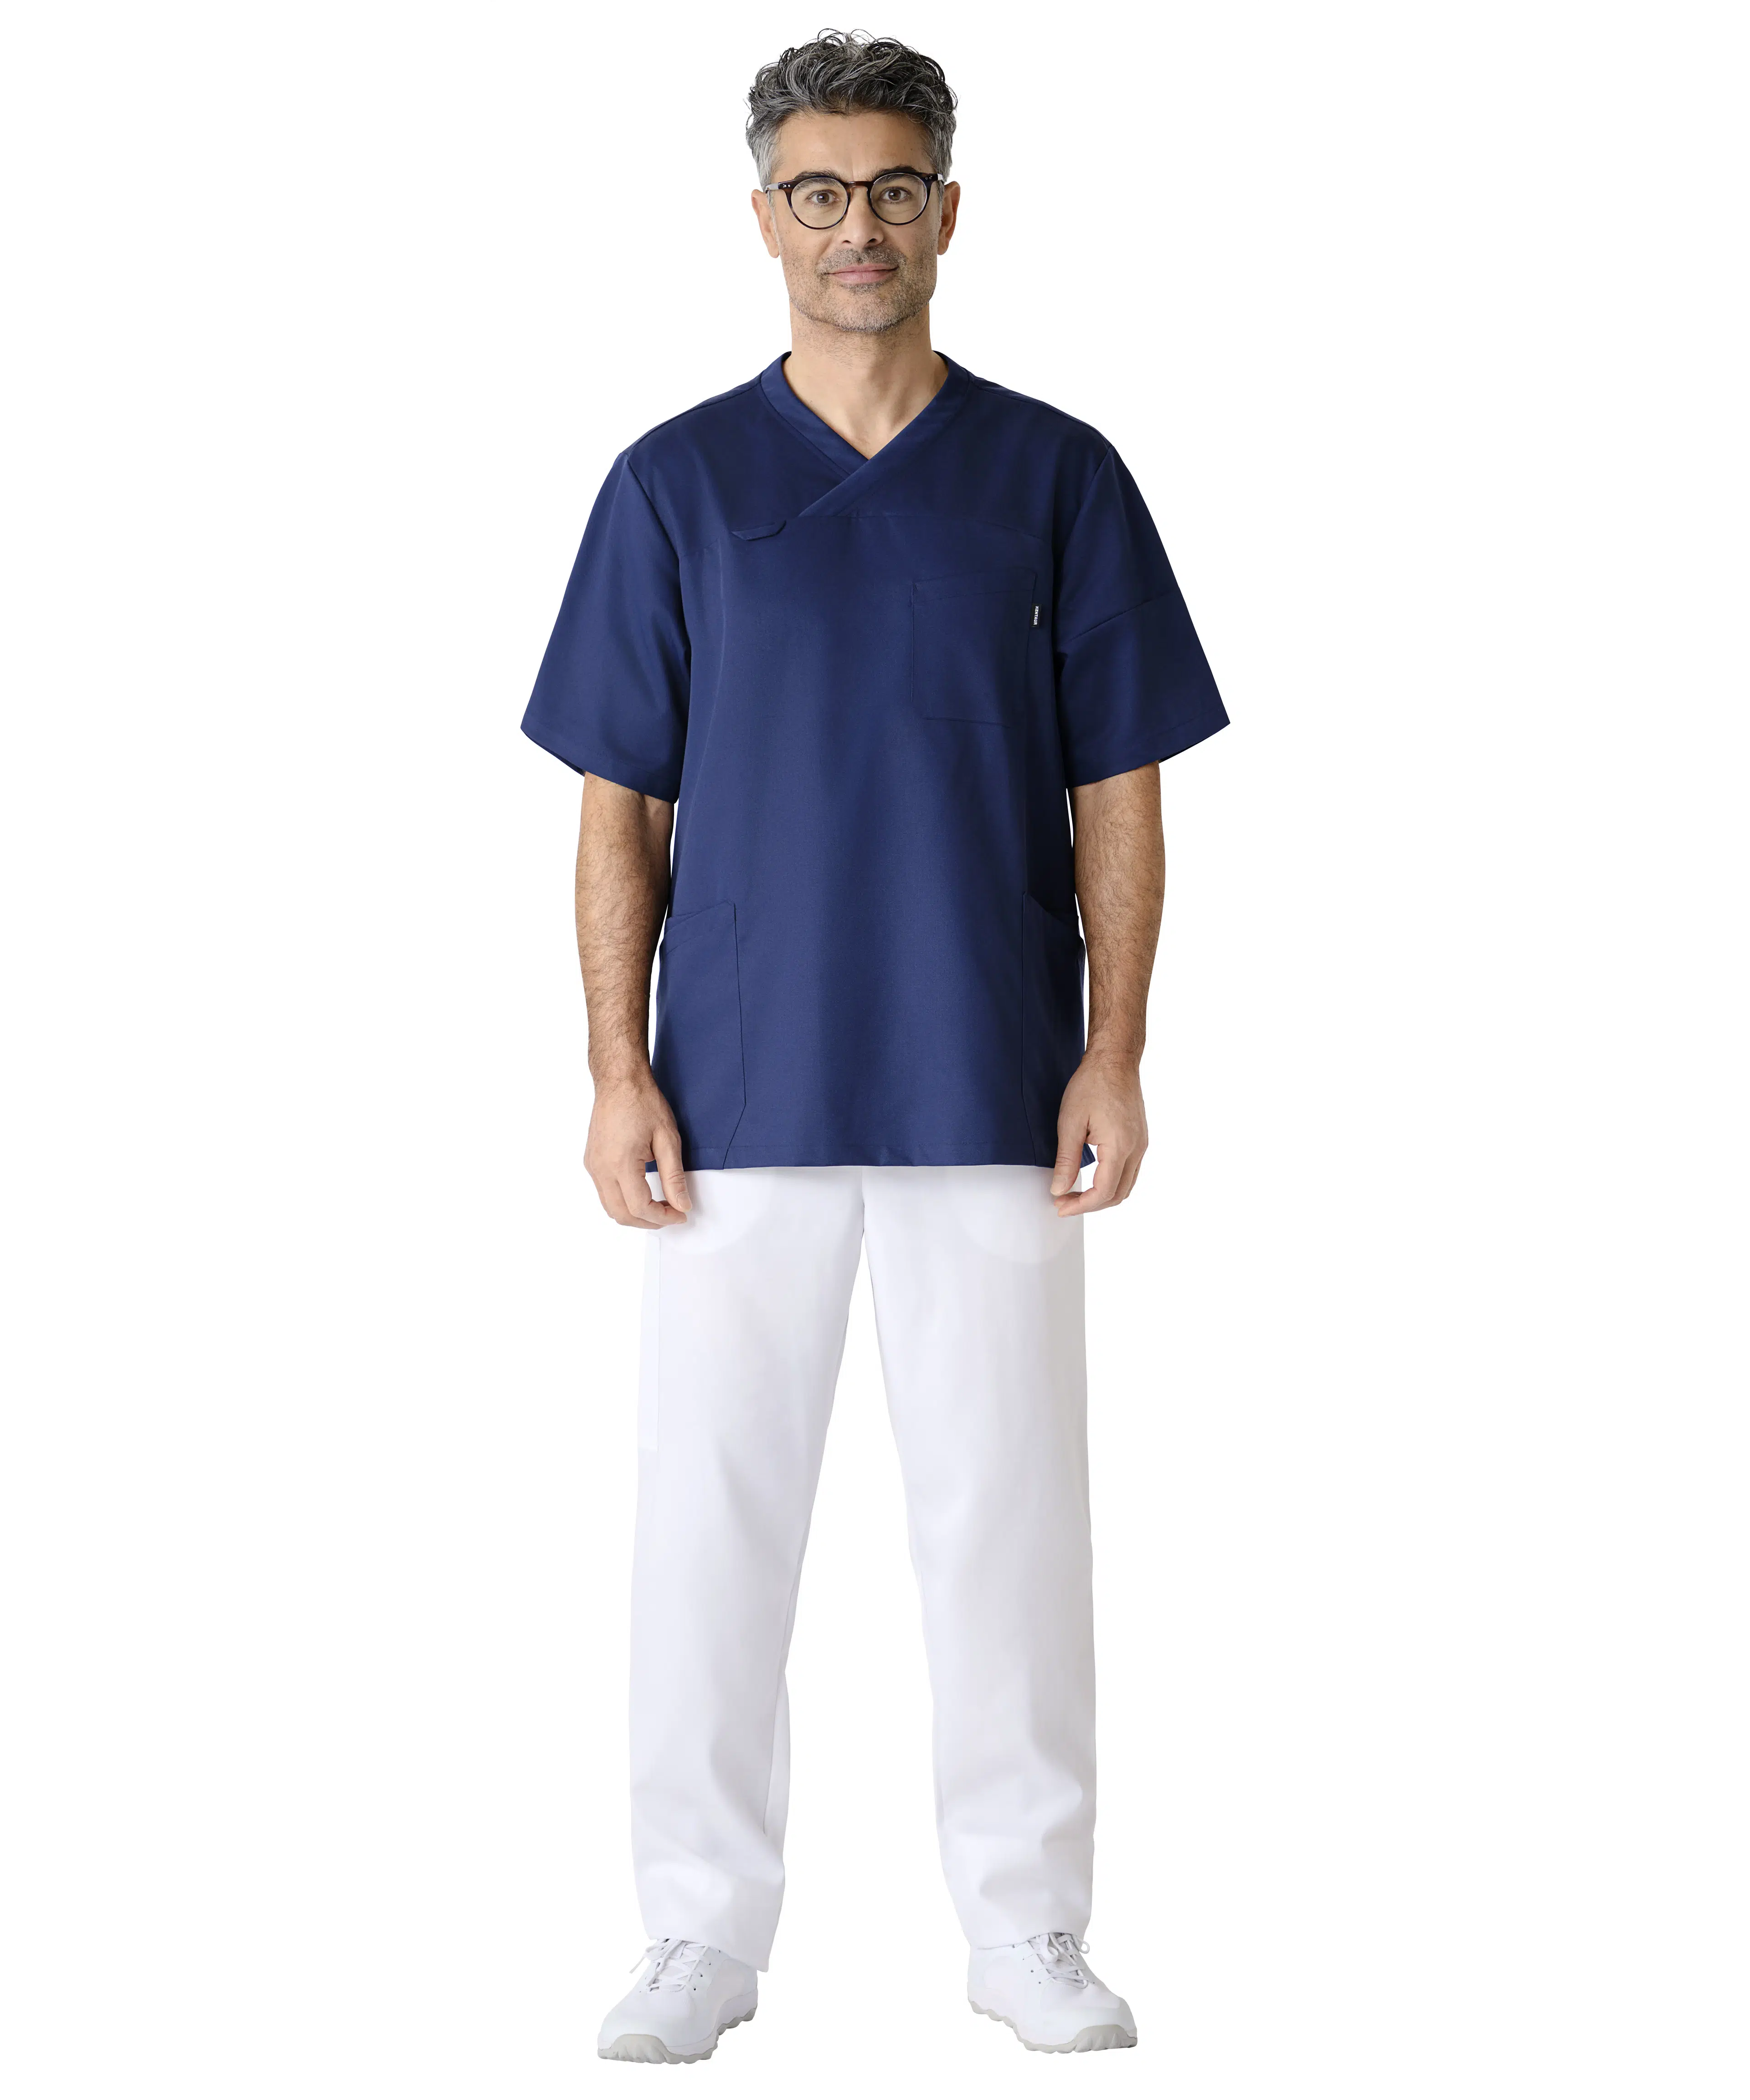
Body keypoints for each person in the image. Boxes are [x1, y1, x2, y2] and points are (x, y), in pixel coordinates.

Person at [521, 27, 1228, 2064]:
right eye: (821, 192)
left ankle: (1028, 1928)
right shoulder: (675, 483)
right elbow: (618, 805)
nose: (860, 226)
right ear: (764, 220)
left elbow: (1120, 787)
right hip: (730, 1093)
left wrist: (1115, 1050)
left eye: (895, 188)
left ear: (949, 211)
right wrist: (615, 1070)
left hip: (988, 1076)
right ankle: (698, 1932)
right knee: (707, 1532)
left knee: (1011, 1527)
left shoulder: (1055, 477)